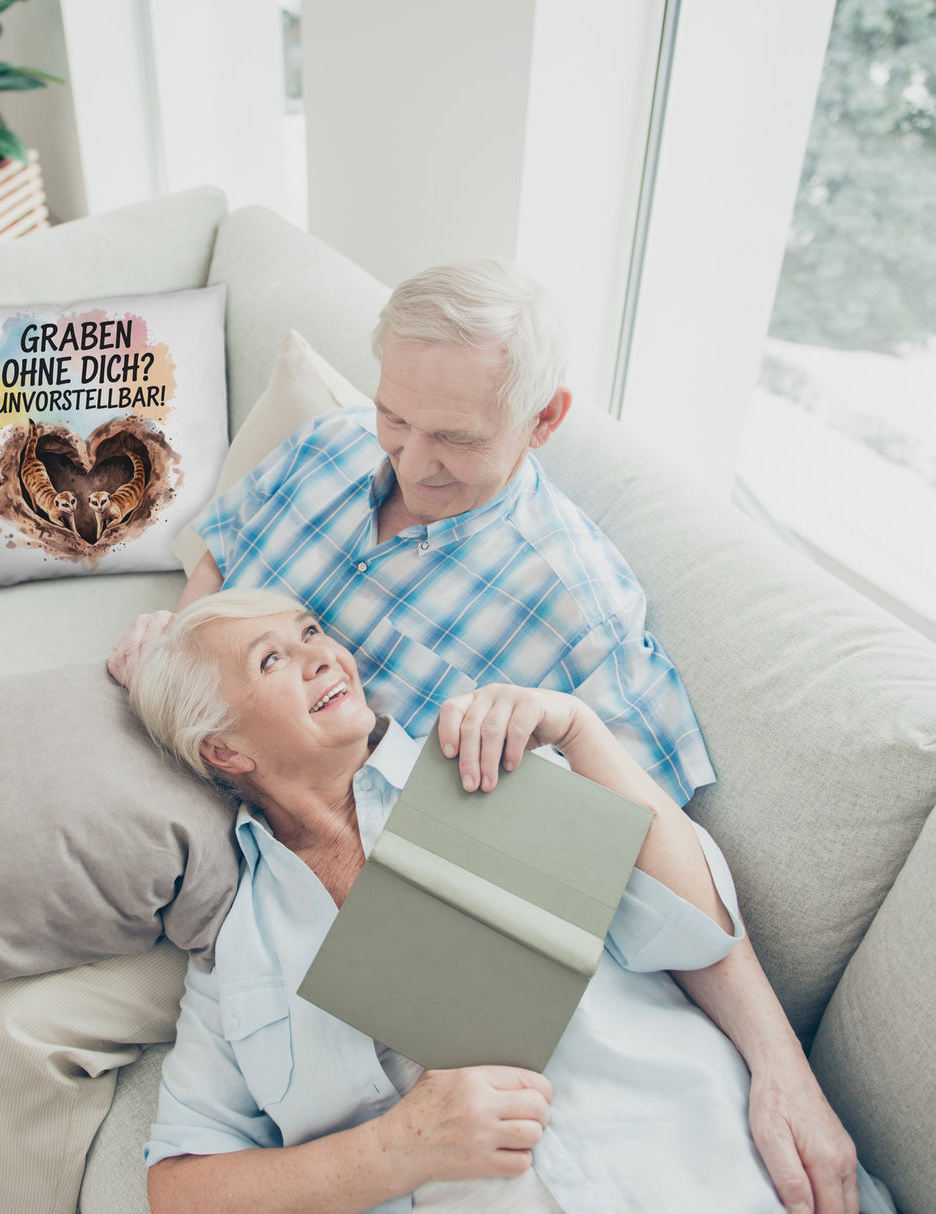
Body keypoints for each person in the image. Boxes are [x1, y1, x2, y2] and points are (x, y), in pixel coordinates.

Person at [111, 259, 858, 1213]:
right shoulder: (330, 450)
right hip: (214, 834)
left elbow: (666, 886)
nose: (411, 462)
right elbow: (222, 554)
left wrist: (780, 1069)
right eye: (396, 418)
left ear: (544, 420)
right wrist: (183, 660)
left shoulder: (551, 664)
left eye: (454, 438)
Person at [129, 589, 882, 1214]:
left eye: (311, 632)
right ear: (224, 750)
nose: (323, 655)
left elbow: (694, 929)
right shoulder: (238, 951)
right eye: (272, 659)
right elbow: (180, 1188)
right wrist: (396, 1149)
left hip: (706, 1166)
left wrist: (580, 730)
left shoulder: (484, 762)